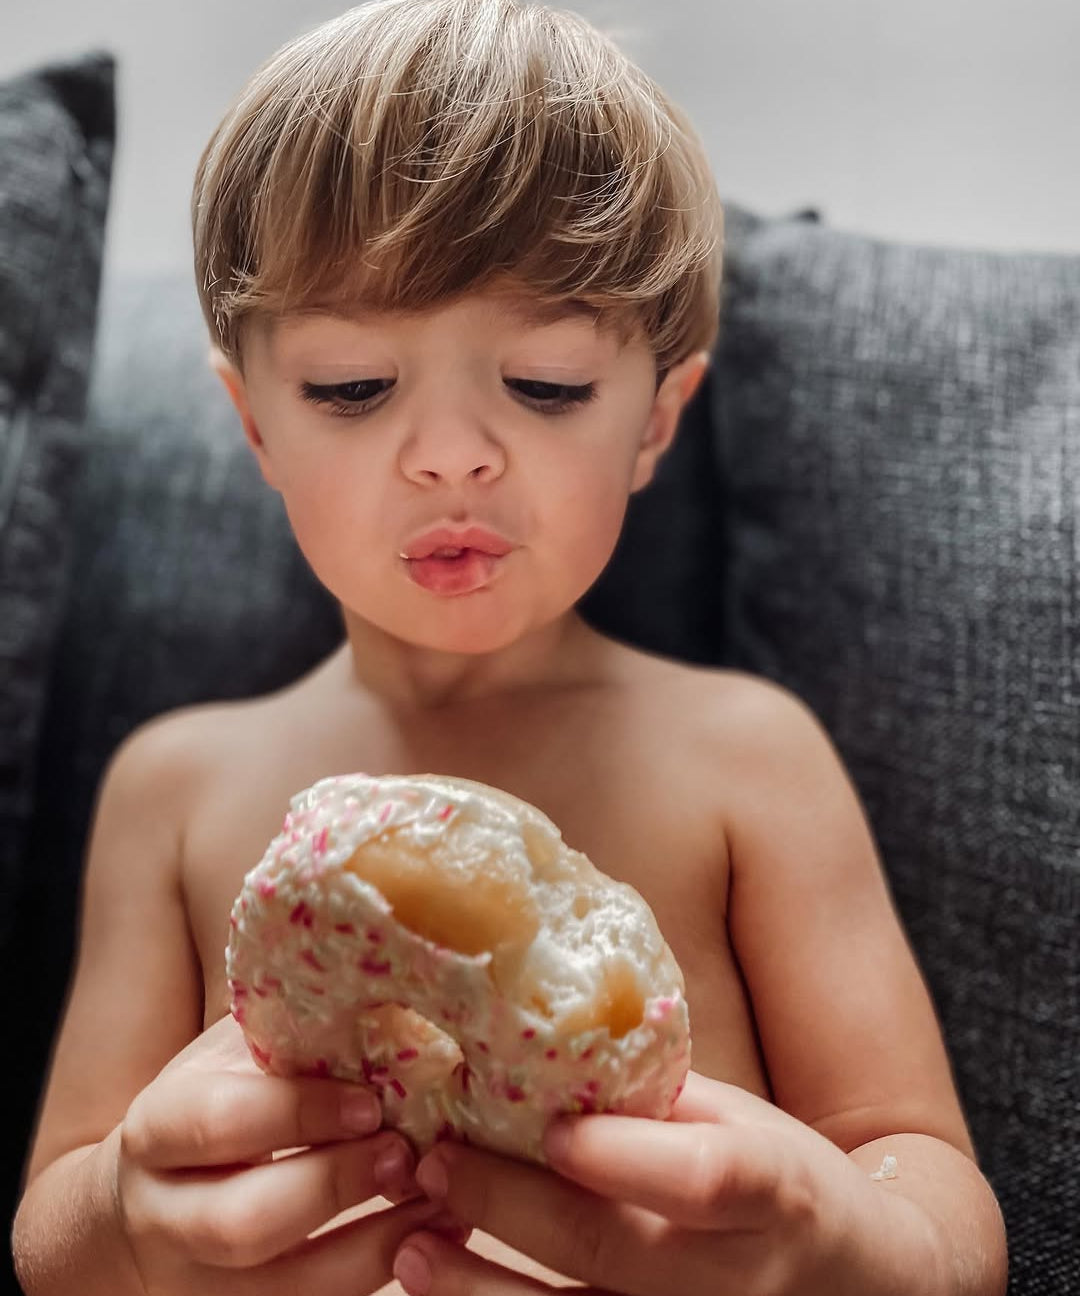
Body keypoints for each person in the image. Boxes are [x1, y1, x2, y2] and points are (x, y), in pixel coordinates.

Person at [12, 0, 1008, 1292]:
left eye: (544, 385)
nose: (450, 452)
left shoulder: (744, 760)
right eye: (352, 389)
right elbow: (58, 1218)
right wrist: (128, 1219)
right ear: (253, 426)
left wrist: (842, 1242)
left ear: (657, 417)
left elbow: (913, 1167)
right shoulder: (177, 789)